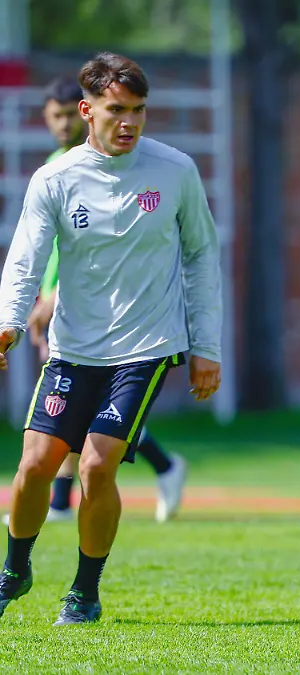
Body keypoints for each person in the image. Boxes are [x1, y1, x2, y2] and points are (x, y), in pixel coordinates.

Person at [0, 52, 222, 625]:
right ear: (87, 110)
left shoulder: (174, 170)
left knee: (97, 467)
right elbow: (25, 259)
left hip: (147, 348)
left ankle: (84, 592)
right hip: (73, 348)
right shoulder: (55, 177)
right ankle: (14, 570)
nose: (130, 122)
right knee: (34, 467)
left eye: (139, 110)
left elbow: (201, 255)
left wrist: (207, 347)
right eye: (117, 110)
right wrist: (9, 322)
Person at [1, 76, 189, 529]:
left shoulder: (118, 166)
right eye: (54, 116)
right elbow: (46, 247)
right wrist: (36, 299)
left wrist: (54, 294)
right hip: (61, 307)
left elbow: (103, 251)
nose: (60, 124)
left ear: (84, 112)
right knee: (78, 410)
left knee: (82, 411)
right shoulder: (55, 167)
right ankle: (159, 466)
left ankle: (65, 500)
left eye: (68, 114)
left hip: (96, 308)